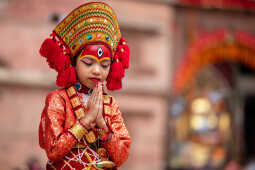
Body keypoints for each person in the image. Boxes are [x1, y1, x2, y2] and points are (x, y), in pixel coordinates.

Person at [38, 2, 131, 170]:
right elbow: (53, 150)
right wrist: (86, 121)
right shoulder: (58, 100)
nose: (97, 71)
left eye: (104, 65)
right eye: (88, 63)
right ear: (74, 63)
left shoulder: (110, 104)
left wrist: (102, 125)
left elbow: (122, 156)